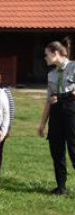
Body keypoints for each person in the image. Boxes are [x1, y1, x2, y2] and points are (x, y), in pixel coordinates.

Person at [38, 38, 75, 195]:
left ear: (56, 53)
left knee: (74, 149)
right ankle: (61, 187)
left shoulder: (74, 67)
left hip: (72, 112)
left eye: (47, 54)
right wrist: (42, 123)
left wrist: (61, 97)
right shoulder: (51, 74)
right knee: (56, 149)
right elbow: (49, 100)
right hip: (56, 114)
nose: (45, 58)